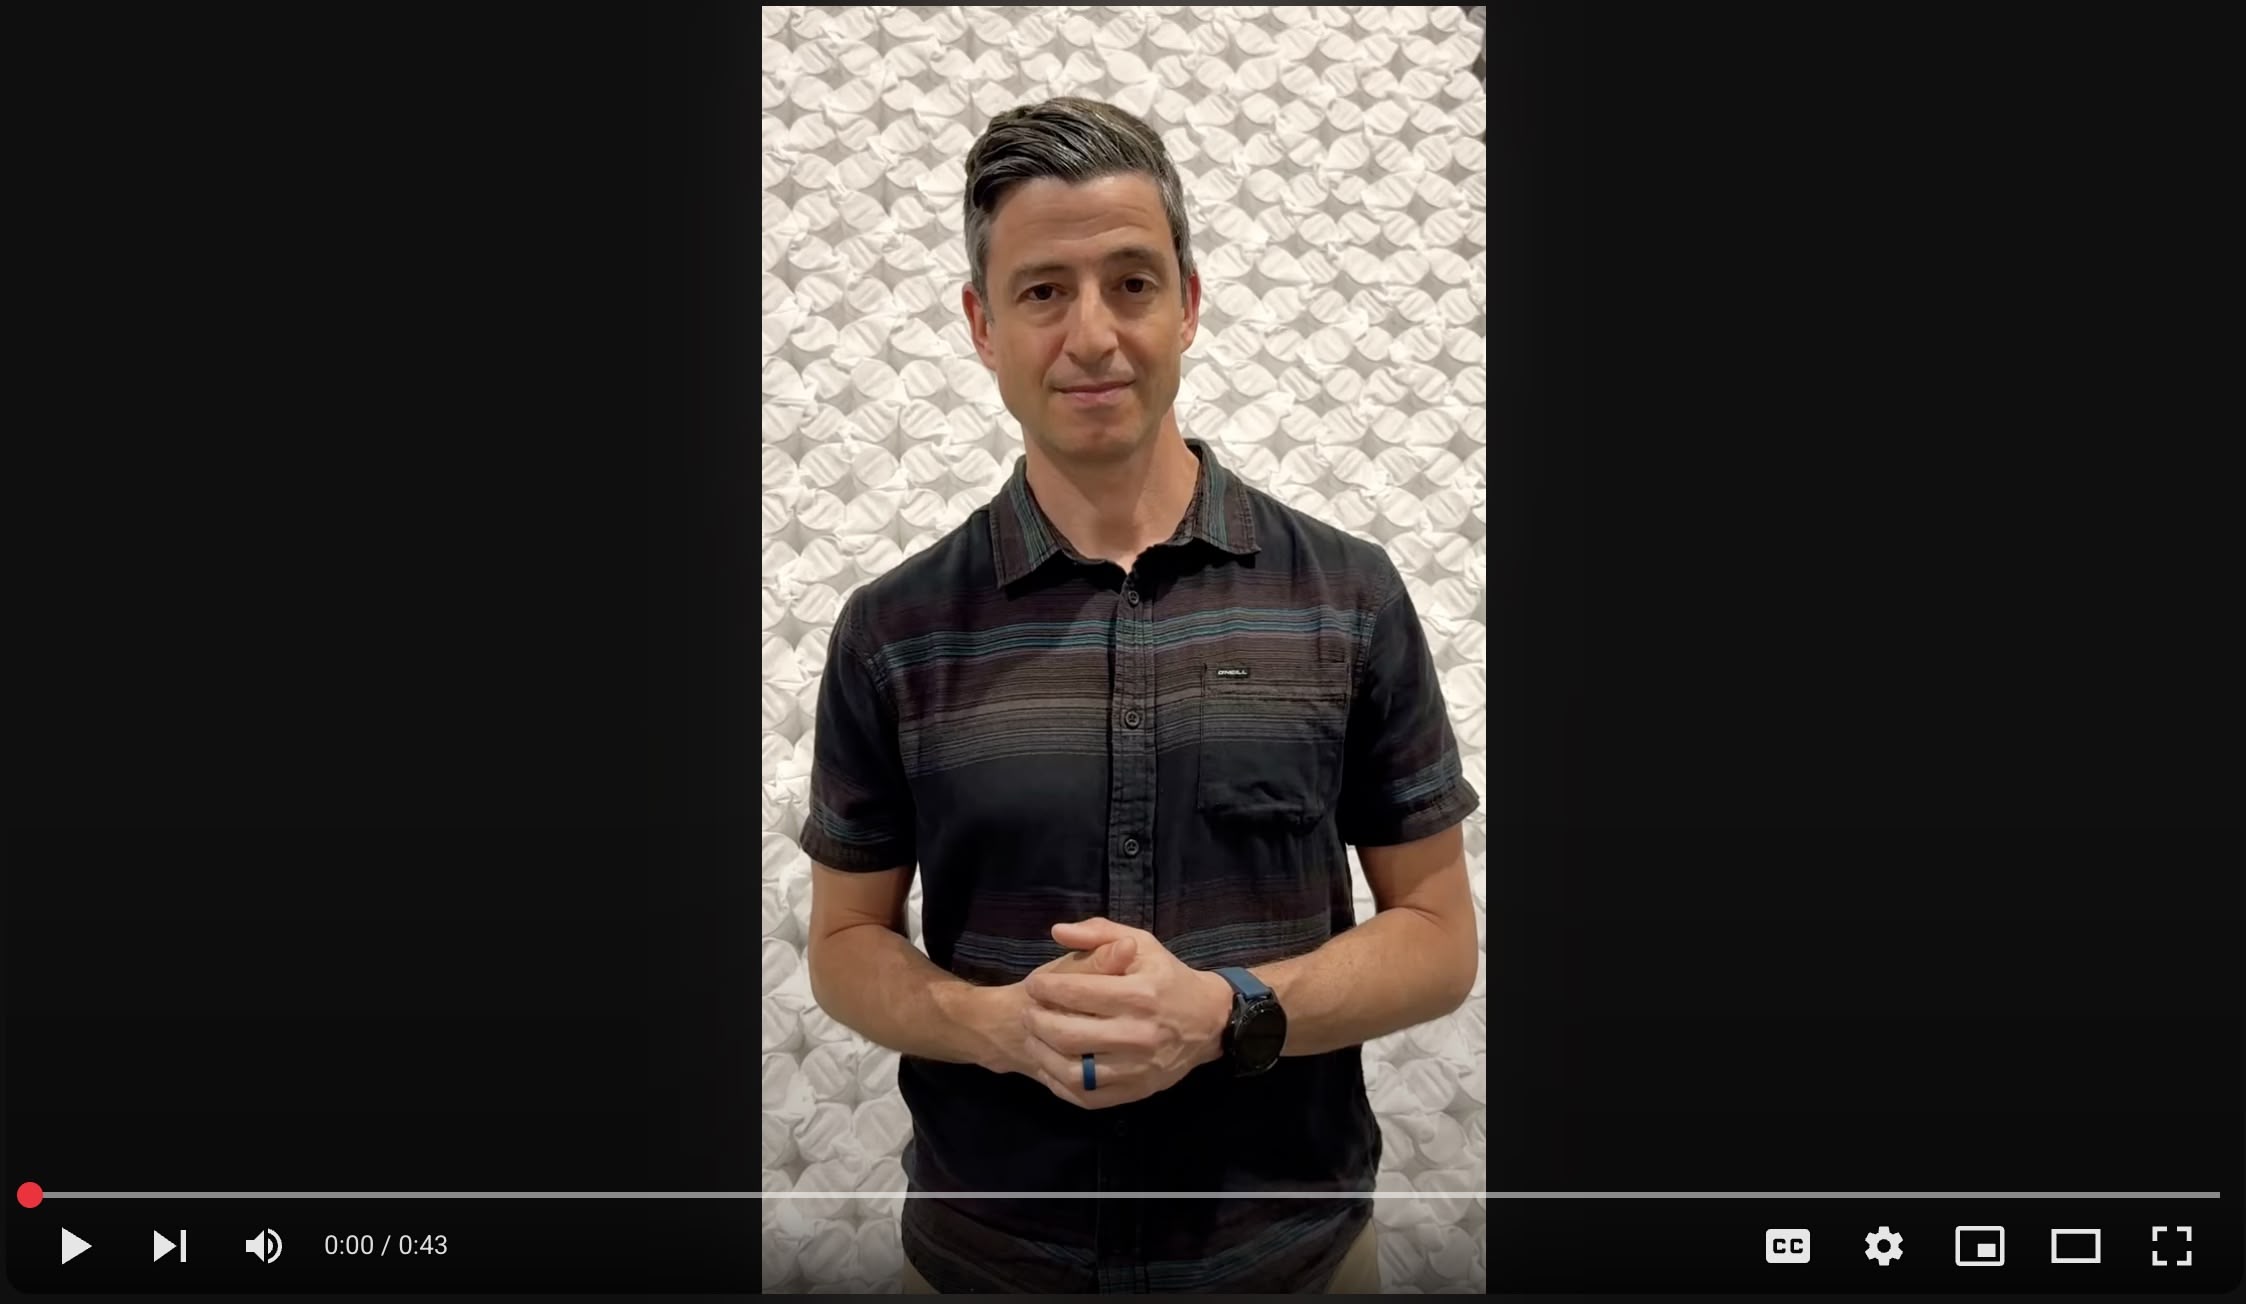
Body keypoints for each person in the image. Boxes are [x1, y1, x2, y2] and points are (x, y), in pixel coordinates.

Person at [795, 95, 1479, 1294]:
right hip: (982, 1262)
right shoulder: (891, 631)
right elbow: (845, 942)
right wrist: (992, 1024)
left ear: (1187, 303)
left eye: (1130, 282)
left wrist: (1224, 1011)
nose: (1092, 334)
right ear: (981, 323)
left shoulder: (1348, 595)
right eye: (1042, 290)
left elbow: (1437, 936)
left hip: (1289, 1259)